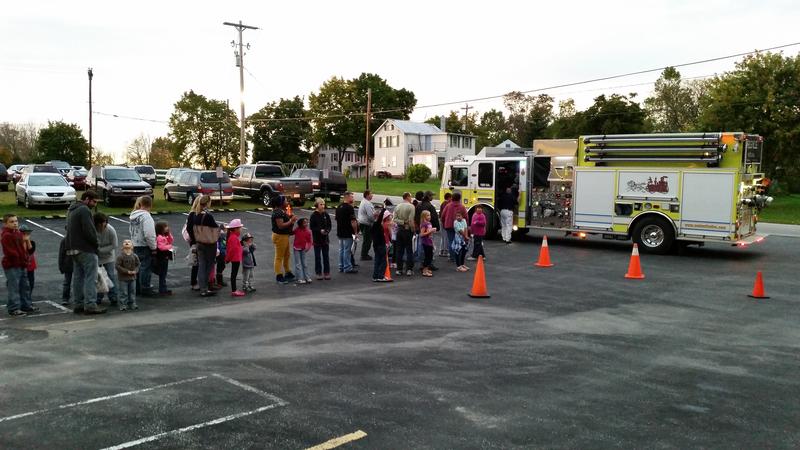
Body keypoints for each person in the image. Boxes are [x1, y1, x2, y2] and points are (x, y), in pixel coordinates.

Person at [66, 191, 104, 314]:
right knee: (90, 278)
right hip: (85, 249)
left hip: (73, 248)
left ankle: (78, 304)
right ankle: (90, 305)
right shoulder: (84, 210)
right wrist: (96, 244)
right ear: (87, 199)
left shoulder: (71, 209)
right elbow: (89, 231)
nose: (94, 204)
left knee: (78, 278)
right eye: (94, 201)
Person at [186, 195, 220, 297]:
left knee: (201, 265)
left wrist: (194, 239)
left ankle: (202, 288)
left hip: (199, 242)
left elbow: (189, 228)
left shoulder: (195, 214)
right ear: (208, 203)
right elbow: (215, 228)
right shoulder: (208, 215)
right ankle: (205, 287)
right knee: (209, 266)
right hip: (209, 243)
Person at [3, 214, 35, 317]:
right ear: (6, 223)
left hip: (21, 264)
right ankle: (13, 308)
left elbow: (23, 249)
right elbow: (11, 252)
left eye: (16, 221)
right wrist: (20, 259)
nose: (15, 223)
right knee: (14, 287)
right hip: (12, 265)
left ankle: (26, 305)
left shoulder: (17, 234)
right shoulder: (6, 235)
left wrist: (24, 260)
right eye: (11, 222)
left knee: (24, 286)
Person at [130, 195, 157, 297]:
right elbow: (149, 234)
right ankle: (145, 288)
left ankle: (137, 288)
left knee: (137, 267)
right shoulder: (146, 216)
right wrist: (153, 247)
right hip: (144, 245)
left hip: (135, 244)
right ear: (150, 204)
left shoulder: (134, 215)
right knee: (145, 268)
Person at [270, 195, 297, 284]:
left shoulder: (281, 211)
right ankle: (279, 275)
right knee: (279, 256)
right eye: (285, 201)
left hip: (284, 236)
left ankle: (287, 272)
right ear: (280, 203)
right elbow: (280, 226)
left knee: (287, 255)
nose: (287, 202)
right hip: (280, 236)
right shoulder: (278, 212)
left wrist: (290, 217)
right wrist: (291, 221)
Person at [94, 213, 119, 306]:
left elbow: (114, 245)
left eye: (103, 223)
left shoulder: (110, 230)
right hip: (97, 257)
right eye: (99, 224)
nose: (102, 226)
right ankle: (98, 297)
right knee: (98, 277)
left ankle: (113, 296)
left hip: (108, 257)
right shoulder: (92, 230)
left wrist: (100, 250)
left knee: (110, 276)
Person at [392, 192, 416, 276]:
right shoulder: (411, 206)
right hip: (407, 230)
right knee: (409, 250)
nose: (411, 198)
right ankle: (409, 269)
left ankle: (399, 269)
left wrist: (401, 222)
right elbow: (411, 220)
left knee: (399, 250)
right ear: (407, 197)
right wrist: (413, 230)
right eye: (410, 197)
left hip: (400, 230)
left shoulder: (398, 206)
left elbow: (394, 219)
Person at [335, 191, 358, 274]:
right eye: (352, 197)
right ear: (347, 197)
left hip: (340, 231)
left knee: (341, 250)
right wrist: (355, 232)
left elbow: (337, 220)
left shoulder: (339, 207)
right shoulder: (349, 208)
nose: (353, 198)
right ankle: (347, 267)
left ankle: (341, 266)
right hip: (348, 232)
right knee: (347, 250)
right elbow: (353, 221)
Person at [417, 191, 440, 270]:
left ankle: (422, 263)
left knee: (421, 247)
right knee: (429, 249)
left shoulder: (419, 205)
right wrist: (436, 227)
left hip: (420, 228)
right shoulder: (430, 206)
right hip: (429, 230)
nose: (432, 197)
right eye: (431, 196)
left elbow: (416, 217)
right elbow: (434, 218)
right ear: (428, 196)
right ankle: (428, 264)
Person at [310, 197, 331, 280]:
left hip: (325, 239)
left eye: (323, 204)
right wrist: (319, 230)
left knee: (326, 256)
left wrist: (327, 231)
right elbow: (312, 227)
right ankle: (318, 273)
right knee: (317, 257)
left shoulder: (326, 214)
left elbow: (329, 225)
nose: (322, 206)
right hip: (317, 239)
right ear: (317, 205)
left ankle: (327, 272)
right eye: (321, 204)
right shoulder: (313, 215)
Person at [442, 191, 467, 263]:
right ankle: (458, 256)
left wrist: (444, 223)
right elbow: (466, 217)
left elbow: (443, 215)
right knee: (459, 241)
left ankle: (452, 257)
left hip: (449, 225)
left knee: (450, 241)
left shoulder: (448, 206)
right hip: (459, 226)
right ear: (459, 198)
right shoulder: (462, 207)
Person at [116, 239, 140, 311]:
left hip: (132, 278)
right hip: (123, 278)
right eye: (125, 242)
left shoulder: (135, 256)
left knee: (132, 291)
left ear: (132, 246)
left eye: (129, 242)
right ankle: (123, 304)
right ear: (122, 246)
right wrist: (127, 272)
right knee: (123, 292)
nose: (127, 242)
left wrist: (135, 271)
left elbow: (138, 264)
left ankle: (132, 303)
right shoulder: (120, 256)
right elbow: (117, 266)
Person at [371, 208, 393, 282]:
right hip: (381, 244)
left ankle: (375, 276)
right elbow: (380, 218)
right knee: (383, 261)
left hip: (376, 245)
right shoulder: (377, 224)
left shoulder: (373, 225)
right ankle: (381, 276)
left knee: (377, 261)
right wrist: (383, 210)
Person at [225, 218, 245, 296]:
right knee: (234, 274)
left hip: (236, 258)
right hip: (235, 259)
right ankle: (234, 290)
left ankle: (234, 289)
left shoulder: (233, 236)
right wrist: (227, 259)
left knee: (234, 274)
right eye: (239, 228)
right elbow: (231, 250)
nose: (241, 229)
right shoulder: (233, 238)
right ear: (235, 229)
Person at [154, 221, 174, 296]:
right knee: (162, 273)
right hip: (161, 258)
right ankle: (162, 289)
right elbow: (161, 247)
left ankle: (163, 288)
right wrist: (170, 247)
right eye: (165, 227)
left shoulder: (164, 236)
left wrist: (168, 233)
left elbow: (171, 240)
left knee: (163, 273)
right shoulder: (159, 237)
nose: (167, 228)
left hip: (165, 257)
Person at [293, 217, 313, 284]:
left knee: (304, 264)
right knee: (298, 264)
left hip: (303, 249)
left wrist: (308, 247)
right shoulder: (297, 230)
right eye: (304, 223)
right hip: (296, 248)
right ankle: (299, 278)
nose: (306, 224)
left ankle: (307, 277)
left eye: (307, 222)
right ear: (300, 224)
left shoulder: (308, 231)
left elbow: (309, 241)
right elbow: (291, 232)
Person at [357, 190, 375, 261]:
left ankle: (364, 254)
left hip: (362, 222)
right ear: (367, 195)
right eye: (371, 194)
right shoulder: (367, 203)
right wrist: (375, 220)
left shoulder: (363, 201)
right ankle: (364, 255)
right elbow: (370, 215)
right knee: (367, 240)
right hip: (366, 224)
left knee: (367, 239)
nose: (372, 195)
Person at [20, 225, 36, 298]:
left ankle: (28, 298)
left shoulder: (32, 242)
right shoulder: (18, 243)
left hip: (30, 266)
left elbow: (30, 251)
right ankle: (23, 298)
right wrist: (23, 241)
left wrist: (27, 241)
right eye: (24, 233)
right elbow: (22, 252)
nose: (26, 235)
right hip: (22, 266)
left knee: (31, 283)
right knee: (23, 284)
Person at [419, 210, 436, 277]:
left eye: (430, 215)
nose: (429, 217)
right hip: (426, 242)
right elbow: (421, 234)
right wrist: (430, 231)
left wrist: (432, 231)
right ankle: (424, 270)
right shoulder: (424, 224)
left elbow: (429, 233)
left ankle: (426, 268)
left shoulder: (429, 223)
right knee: (427, 256)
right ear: (424, 216)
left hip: (429, 241)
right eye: (428, 215)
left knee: (430, 256)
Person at [58, 234, 73, 306]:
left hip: (69, 264)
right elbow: (61, 254)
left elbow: (61, 254)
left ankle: (65, 298)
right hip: (70, 264)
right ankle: (65, 298)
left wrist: (61, 266)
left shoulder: (64, 240)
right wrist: (61, 266)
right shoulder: (64, 240)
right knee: (68, 282)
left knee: (67, 282)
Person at [438, 192, 452, 257]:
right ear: (449, 197)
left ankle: (441, 250)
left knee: (443, 237)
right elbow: (445, 214)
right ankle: (445, 251)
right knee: (446, 237)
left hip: (442, 221)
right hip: (445, 222)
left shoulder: (443, 203)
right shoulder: (447, 203)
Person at [215, 223, 227, 288]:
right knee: (221, 266)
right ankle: (219, 281)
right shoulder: (221, 235)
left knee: (221, 266)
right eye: (225, 229)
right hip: (221, 253)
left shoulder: (222, 235)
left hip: (222, 253)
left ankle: (219, 281)